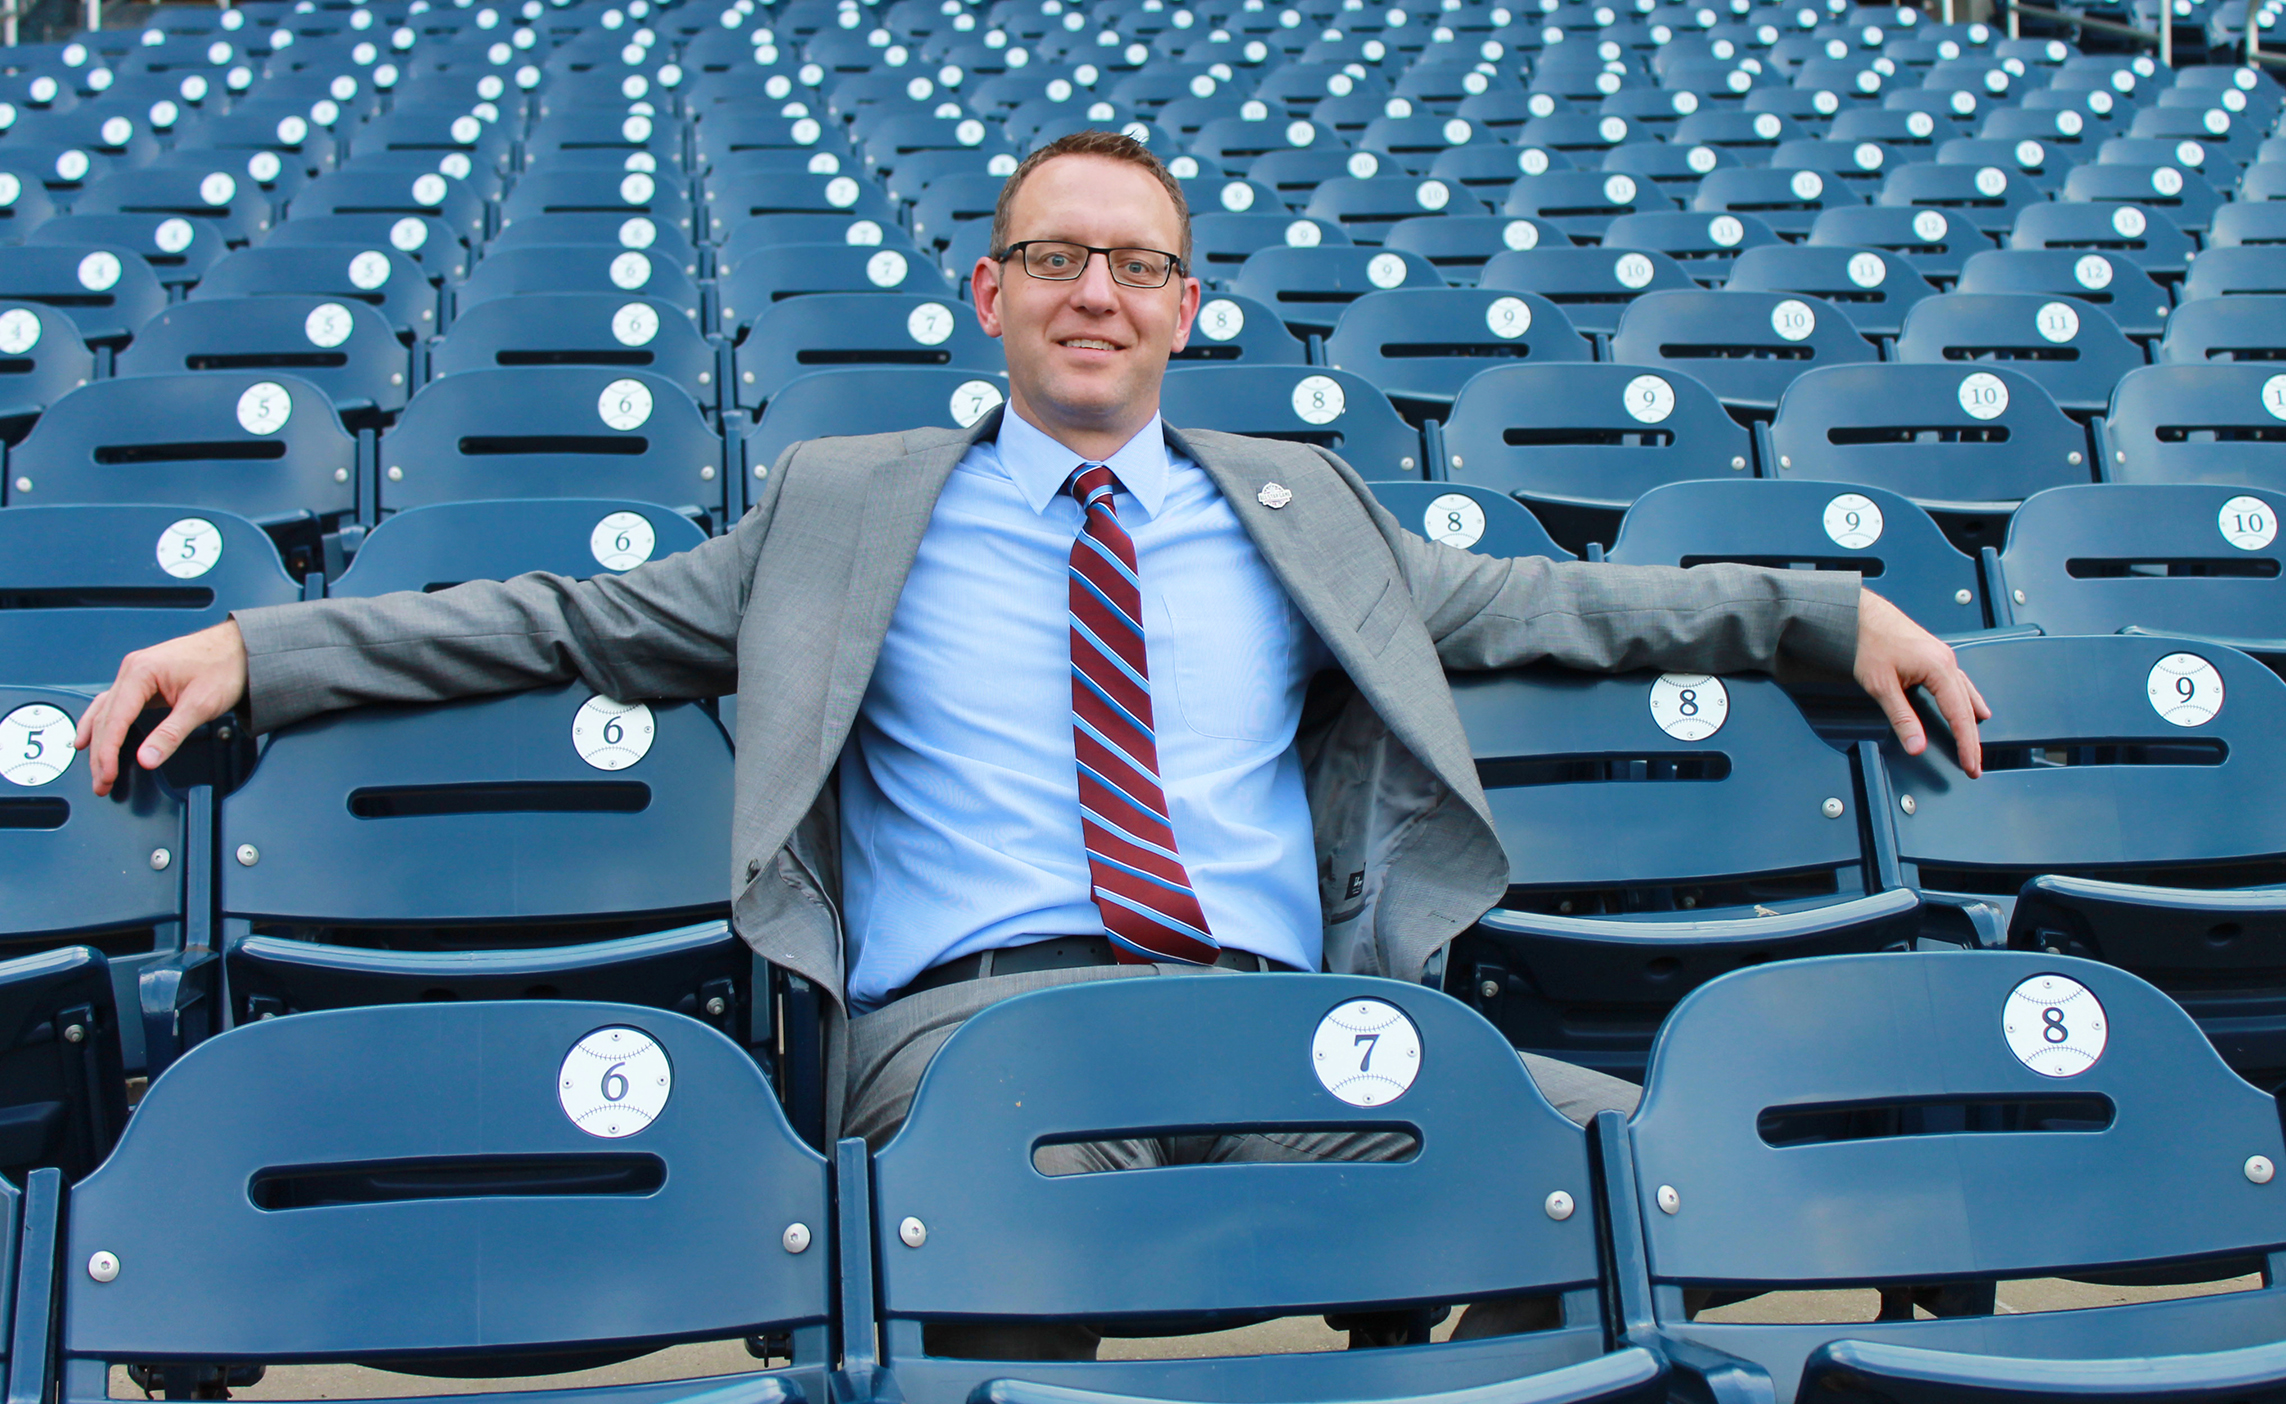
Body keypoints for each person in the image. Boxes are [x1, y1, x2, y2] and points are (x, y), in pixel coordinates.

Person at [76, 129, 1984, 1176]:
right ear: (989, 294)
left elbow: (1569, 607)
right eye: (1058, 259)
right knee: (1046, 1236)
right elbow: (570, 620)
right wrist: (268, 645)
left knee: (1612, 1159)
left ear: (1185, 308)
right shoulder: (845, 501)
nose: (1097, 292)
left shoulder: (1303, 505)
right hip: (975, 1048)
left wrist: (1825, 612)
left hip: (1273, 1019)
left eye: (1138, 265)